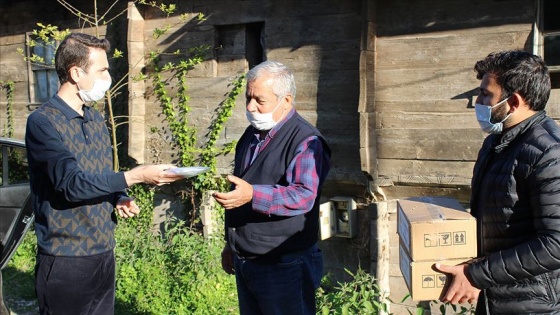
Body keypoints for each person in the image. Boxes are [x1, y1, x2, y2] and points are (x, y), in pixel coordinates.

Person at [25, 32, 184, 315]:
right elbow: (70, 183)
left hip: (103, 252)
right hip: (66, 259)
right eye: (102, 70)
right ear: (76, 73)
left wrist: (119, 195)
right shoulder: (43, 123)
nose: (107, 76)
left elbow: (99, 172)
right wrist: (134, 176)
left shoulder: (96, 118)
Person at [435, 50, 560, 313]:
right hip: (497, 296)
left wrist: (476, 274)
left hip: (533, 304)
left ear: (513, 102)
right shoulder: (497, 141)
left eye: (485, 94)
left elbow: (556, 244)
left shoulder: (548, 153)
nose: (477, 102)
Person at [212, 60, 331, 315]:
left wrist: (253, 195)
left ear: (286, 101)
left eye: (259, 100)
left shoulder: (306, 141)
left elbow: (303, 195)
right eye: (248, 97)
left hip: (284, 263)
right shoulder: (252, 134)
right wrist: (231, 243)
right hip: (248, 259)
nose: (250, 106)